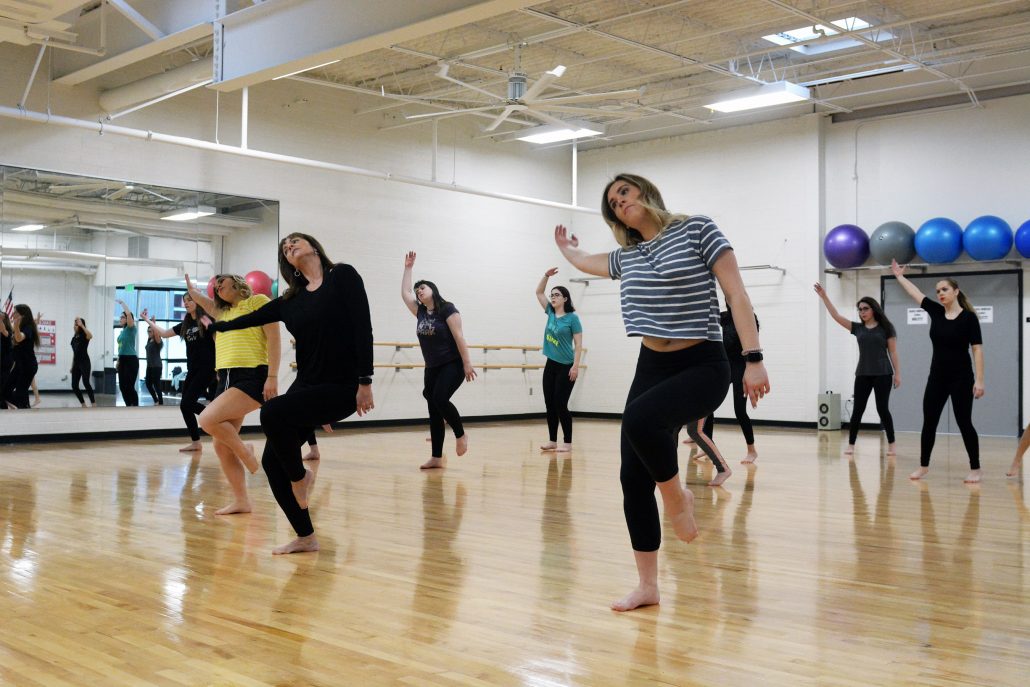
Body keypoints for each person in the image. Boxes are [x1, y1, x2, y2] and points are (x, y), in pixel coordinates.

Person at [554, 173, 769, 612]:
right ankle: (648, 586)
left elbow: (736, 293)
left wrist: (753, 357)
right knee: (631, 478)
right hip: (651, 364)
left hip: (704, 361)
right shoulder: (628, 256)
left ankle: (677, 498)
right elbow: (588, 262)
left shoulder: (696, 228)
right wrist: (567, 250)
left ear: (645, 193)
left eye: (624, 193)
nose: (620, 203)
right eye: (613, 204)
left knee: (638, 420)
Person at [207, 233, 373, 554]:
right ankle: (306, 535)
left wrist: (365, 380)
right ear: (288, 262)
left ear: (313, 245)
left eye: (295, 241)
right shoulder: (291, 300)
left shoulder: (343, 276)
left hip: (344, 386)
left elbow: (362, 326)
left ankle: (301, 477)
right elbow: (254, 317)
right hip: (310, 387)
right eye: (285, 247)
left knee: (271, 411)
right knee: (272, 463)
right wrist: (221, 327)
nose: (289, 246)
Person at [186, 272, 280, 514]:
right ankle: (241, 500)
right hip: (225, 378)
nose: (217, 289)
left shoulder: (257, 302)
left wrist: (273, 376)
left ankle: (245, 450)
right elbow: (206, 304)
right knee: (221, 446)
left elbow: (274, 338)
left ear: (238, 284)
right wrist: (192, 291)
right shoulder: (223, 313)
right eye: (215, 287)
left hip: (251, 375)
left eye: (221, 284)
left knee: (206, 419)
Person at [890, 260, 984, 483]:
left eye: (944, 290)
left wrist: (980, 380)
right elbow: (916, 294)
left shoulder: (969, 318)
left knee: (964, 422)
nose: (940, 294)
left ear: (956, 291)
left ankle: (976, 468)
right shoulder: (936, 311)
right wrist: (900, 277)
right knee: (929, 421)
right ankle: (923, 466)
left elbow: (977, 350)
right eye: (938, 291)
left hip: (961, 378)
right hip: (937, 377)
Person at [401, 251, 476, 470]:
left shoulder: (447, 309)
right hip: (432, 367)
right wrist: (408, 268)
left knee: (440, 398)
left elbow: (459, 336)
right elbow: (405, 292)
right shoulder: (420, 312)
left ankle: (461, 435)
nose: (418, 291)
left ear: (433, 289)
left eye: (422, 288)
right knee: (433, 406)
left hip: (452, 364)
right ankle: (436, 457)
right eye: (418, 290)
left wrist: (467, 363)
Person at [814, 284, 900, 456]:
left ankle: (891, 444)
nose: (862, 312)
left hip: (883, 373)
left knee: (882, 409)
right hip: (863, 374)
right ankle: (851, 445)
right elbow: (836, 316)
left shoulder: (886, 328)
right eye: (860, 309)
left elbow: (893, 352)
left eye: (865, 308)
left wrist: (898, 374)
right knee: (858, 410)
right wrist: (824, 297)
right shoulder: (857, 328)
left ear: (873, 309)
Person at [141, 294, 217, 451]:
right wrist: (149, 322)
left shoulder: (205, 319)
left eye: (190, 300)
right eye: (185, 301)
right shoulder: (185, 324)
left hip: (207, 368)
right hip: (193, 369)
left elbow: (218, 340)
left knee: (188, 403)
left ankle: (216, 420)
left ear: (198, 302)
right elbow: (164, 334)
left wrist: (219, 368)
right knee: (185, 406)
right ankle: (196, 442)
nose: (186, 303)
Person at [535, 268, 584, 452]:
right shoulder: (550, 312)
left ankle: (568, 443)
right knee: (550, 403)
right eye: (552, 295)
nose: (553, 297)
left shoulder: (572, 319)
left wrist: (575, 366)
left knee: (560, 404)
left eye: (557, 295)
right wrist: (546, 276)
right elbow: (539, 292)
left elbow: (578, 345)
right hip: (551, 365)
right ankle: (552, 441)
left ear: (565, 299)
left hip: (567, 367)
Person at [7, 305, 41, 409]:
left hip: (28, 366)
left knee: (20, 394)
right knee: (5, 391)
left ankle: (25, 408)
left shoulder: (28, 328)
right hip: (19, 365)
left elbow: (19, 338)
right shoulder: (23, 327)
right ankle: (24, 406)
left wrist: (16, 326)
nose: (13, 314)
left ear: (22, 315)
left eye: (15, 312)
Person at [115, 299, 140, 406]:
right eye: (120, 317)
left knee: (129, 386)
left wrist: (122, 304)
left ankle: (135, 406)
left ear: (128, 319)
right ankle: (128, 406)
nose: (120, 319)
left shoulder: (131, 329)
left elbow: (129, 315)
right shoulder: (122, 332)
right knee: (122, 386)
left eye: (122, 317)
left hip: (131, 360)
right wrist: (118, 360)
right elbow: (120, 347)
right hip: (122, 360)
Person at [70, 317, 97, 407]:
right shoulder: (74, 338)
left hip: (85, 362)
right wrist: (72, 365)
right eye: (75, 324)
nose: (74, 326)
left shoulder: (84, 336)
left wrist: (82, 325)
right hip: (76, 363)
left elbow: (90, 336)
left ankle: (93, 403)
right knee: (74, 385)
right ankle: (83, 404)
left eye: (76, 324)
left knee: (86, 382)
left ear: (81, 326)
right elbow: (75, 353)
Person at [143, 325, 165, 405]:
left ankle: (161, 402)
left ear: (155, 332)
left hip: (157, 366)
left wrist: (153, 324)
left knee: (156, 385)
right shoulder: (149, 340)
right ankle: (156, 400)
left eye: (150, 331)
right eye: (148, 331)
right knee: (148, 384)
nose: (148, 333)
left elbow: (157, 336)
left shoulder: (158, 341)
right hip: (149, 366)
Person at [0, 312, 14, 409]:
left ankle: (5, 406)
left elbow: (4, 330)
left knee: (2, 386)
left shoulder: (7, 331)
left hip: (5, 362)